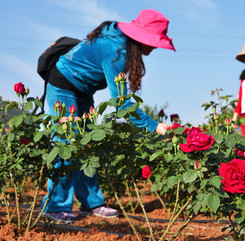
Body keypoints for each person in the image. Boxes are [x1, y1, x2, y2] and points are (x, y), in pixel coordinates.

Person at [41, 9, 175, 223]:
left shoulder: (121, 43)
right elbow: (121, 103)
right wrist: (153, 125)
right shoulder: (116, 51)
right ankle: (55, 206)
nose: (155, 46)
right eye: (155, 41)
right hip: (63, 85)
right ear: (142, 37)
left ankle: (91, 203)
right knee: (65, 145)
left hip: (83, 90)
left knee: (86, 145)